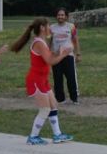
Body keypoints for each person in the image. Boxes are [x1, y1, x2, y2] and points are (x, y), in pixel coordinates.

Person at [11, 17, 74, 145]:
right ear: (42, 27)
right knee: (45, 109)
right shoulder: (39, 42)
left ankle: (57, 135)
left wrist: (58, 52)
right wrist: (63, 54)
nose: (50, 27)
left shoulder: (43, 42)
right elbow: (50, 61)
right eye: (48, 25)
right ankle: (33, 137)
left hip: (43, 79)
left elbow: (49, 57)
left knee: (53, 106)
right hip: (36, 79)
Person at [50, 7, 81, 104]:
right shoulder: (51, 28)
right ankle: (60, 99)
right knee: (57, 77)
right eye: (59, 15)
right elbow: (48, 41)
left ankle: (74, 98)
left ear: (66, 16)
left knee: (71, 77)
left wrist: (78, 54)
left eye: (62, 15)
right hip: (56, 56)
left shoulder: (71, 27)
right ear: (56, 16)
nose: (60, 17)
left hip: (68, 55)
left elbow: (75, 41)